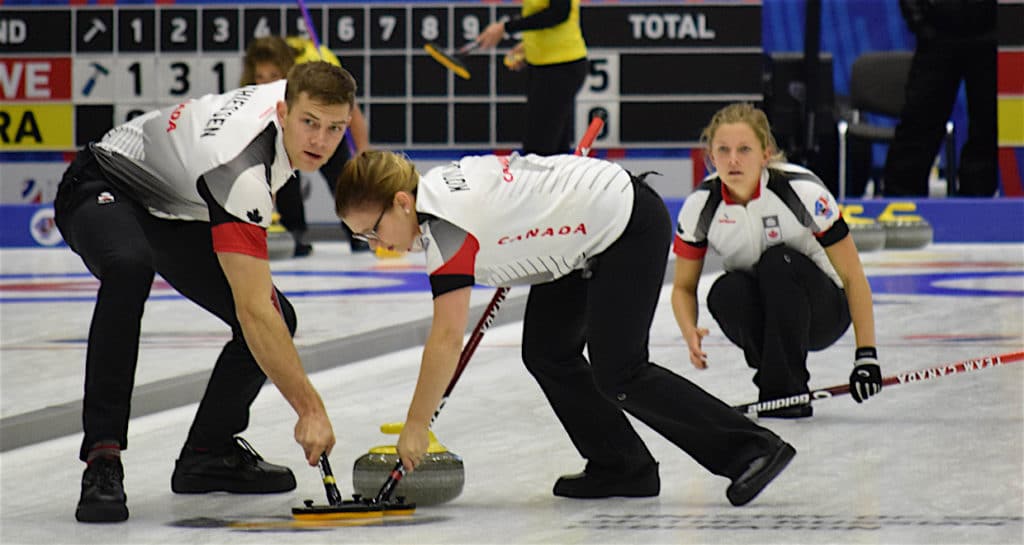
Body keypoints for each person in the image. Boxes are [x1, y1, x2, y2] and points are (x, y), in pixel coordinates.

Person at [334, 149, 796, 507]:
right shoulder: (436, 188)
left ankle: (753, 449)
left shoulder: (449, 226)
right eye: (363, 240)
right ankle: (623, 465)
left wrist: (416, 426)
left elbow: (446, 339)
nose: (379, 246)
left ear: (401, 201)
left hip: (625, 226)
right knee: (547, 351)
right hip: (578, 236)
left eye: (374, 232)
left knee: (621, 371)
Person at [55, 61, 355, 523]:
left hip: (172, 210)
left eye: (335, 129)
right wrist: (309, 409)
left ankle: (207, 452)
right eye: (309, 124)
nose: (319, 140)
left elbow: (262, 311)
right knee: (129, 268)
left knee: (282, 317)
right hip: (103, 180)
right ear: (283, 110)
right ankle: (103, 459)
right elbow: (253, 309)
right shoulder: (240, 168)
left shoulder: (299, 94)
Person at [671, 103, 884, 419]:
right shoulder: (701, 206)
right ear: (711, 157)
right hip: (768, 315)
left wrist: (866, 356)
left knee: (777, 262)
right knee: (725, 291)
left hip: (823, 313)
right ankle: (779, 384)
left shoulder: (802, 191)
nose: (733, 160)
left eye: (744, 149)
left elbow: (853, 275)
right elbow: (683, 288)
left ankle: (784, 391)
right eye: (724, 150)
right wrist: (688, 330)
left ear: (765, 154)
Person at [241, 35, 372, 255]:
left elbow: (352, 110)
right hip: (286, 135)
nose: (267, 82)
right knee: (285, 181)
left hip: (324, 125)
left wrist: (363, 148)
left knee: (343, 180)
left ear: (287, 69)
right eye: (260, 77)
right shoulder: (251, 96)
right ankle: (295, 237)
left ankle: (360, 233)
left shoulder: (312, 69)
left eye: (274, 75)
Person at [882, 0, 997, 196]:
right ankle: (901, 203)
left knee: (988, 128)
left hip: (991, 33)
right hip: (937, 32)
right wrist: (918, 20)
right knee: (918, 125)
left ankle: (977, 204)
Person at [475, 0, 587, 156]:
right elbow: (540, 13)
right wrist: (528, 45)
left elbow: (559, 13)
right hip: (543, 66)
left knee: (538, 152)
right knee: (553, 151)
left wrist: (505, 27)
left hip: (560, 68)